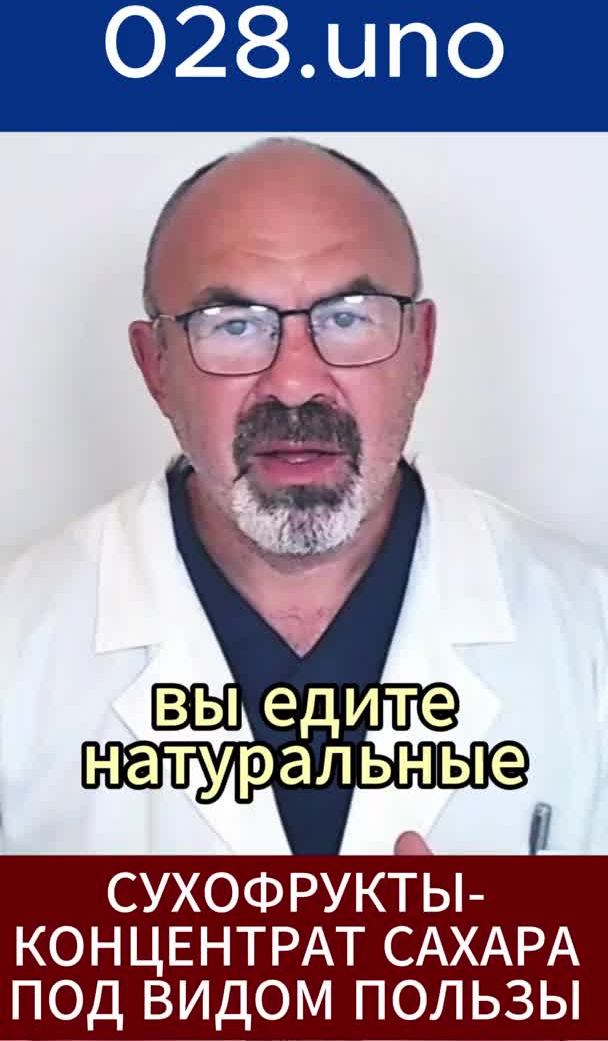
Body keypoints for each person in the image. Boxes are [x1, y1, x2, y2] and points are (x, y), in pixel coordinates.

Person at [0, 137, 606, 856]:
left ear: (422, 348)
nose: (293, 383)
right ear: (155, 365)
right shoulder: (19, 644)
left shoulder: (587, 635)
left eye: (347, 317)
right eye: (233, 325)